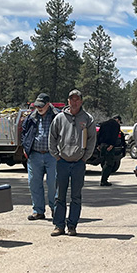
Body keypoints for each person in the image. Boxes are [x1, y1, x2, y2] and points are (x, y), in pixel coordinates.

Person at [48, 89, 96, 237]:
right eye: (71, 99)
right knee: (59, 196)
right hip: (62, 162)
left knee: (76, 196)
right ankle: (59, 225)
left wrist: (84, 157)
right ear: (68, 101)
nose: (74, 102)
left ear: (81, 101)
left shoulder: (87, 119)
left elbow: (92, 139)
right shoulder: (60, 118)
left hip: (78, 163)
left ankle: (72, 225)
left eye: (77, 99)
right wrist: (56, 155)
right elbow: (52, 137)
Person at [21, 93, 57, 220]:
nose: (39, 108)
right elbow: (24, 132)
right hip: (34, 155)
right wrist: (26, 148)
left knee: (53, 183)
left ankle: (55, 209)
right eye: (37, 106)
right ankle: (38, 211)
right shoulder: (31, 117)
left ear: (48, 104)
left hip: (53, 156)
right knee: (34, 183)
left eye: (41, 106)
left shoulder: (57, 116)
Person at [96, 114, 124, 186]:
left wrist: (98, 144)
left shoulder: (103, 124)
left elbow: (99, 134)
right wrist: (112, 145)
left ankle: (103, 179)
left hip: (102, 145)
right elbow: (114, 136)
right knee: (109, 163)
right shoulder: (116, 125)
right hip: (109, 145)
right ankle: (104, 180)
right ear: (118, 120)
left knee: (104, 161)